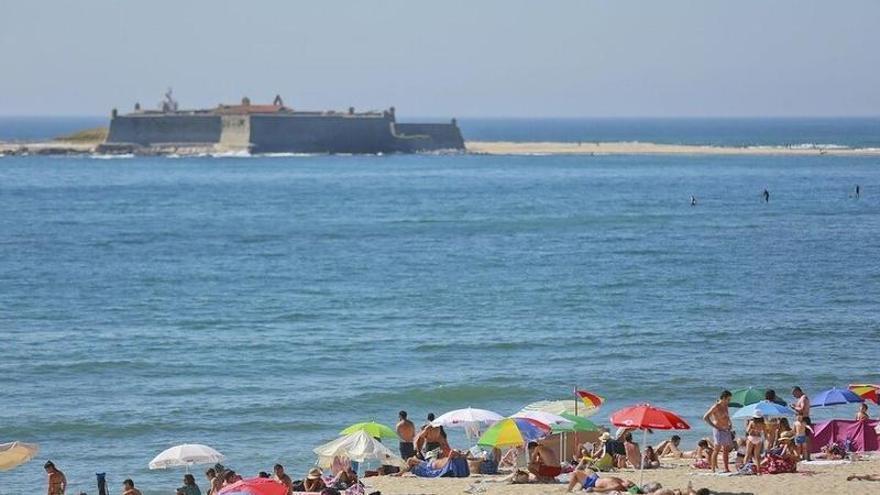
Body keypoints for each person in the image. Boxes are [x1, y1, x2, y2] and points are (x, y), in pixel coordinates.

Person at [702, 390, 733, 472]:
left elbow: (727, 416)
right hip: (718, 430)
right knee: (717, 448)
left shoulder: (726, 406)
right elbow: (705, 417)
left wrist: (730, 424)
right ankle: (713, 468)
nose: (729, 401)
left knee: (726, 449)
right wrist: (715, 426)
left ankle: (726, 468)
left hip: (726, 429)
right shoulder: (716, 406)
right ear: (723, 398)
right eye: (728, 399)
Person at [566, 468, 635, 492]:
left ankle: (569, 490)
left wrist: (592, 489)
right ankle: (581, 487)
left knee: (575, 473)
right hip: (596, 478)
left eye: (629, 484)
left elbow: (604, 489)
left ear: (627, 487)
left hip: (592, 483)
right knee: (588, 469)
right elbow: (636, 489)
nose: (628, 481)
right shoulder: (621, 481)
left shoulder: (617, 485)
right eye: (630, 482)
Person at [791, 386, 811, 460]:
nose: (794, 396)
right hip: (803, 419)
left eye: (794, 394)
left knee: (806, 438)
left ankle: (807, 456)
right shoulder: (802, 398)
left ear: (797, 391)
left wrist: (794, 407)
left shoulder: (803, 398)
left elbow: (802, 409)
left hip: (804, 419)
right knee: (804, 438)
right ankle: (805, 456)